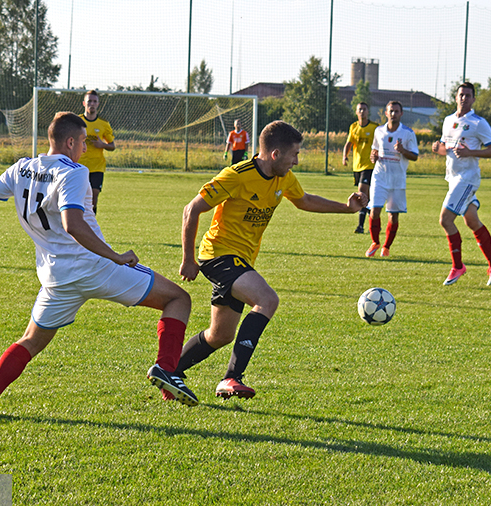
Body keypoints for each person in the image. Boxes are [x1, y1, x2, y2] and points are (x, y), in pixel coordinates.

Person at [0, 112, 198, 420]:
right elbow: (73, 224)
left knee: (31, 340)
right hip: (97, 268)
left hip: (56, 278)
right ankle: (167, 370)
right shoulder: (75, 172)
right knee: (178, 299)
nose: (85, 150)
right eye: (82, 142)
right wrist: (116, 256)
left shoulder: (21, 168)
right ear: (69, 141)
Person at [176, 121, 368, 400]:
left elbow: (304, 201)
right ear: (275, 154)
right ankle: (231, 378)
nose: (297, 161)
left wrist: (347, 209)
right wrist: (188, 259)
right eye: (294, 155)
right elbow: (191, 209)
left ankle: (169, 368)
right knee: (267, 299)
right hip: (218, 254)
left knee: (220, 334)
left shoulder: (283, 178)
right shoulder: (237, 175)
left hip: (241, 260)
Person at [431, 82, 491, 286]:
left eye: (468, 95)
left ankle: (457, 267)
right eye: (461, 94)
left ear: (473, 99)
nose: (464, 98)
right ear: (455, 97)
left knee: (445, 219)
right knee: (471, 220)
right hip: (453, 178)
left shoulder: (479, 123)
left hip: (467, 179)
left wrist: (470, 152)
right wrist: (439, 149)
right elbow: (447, 148)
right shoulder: (447, 121)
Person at [365, 101, 419, 258]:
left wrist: (403, 151)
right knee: (374, 211)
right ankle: (375, 242)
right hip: (379, 176)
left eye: (396, 111)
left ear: (401, 114)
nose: (394, 114)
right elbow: (374, 150)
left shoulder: (408, 133)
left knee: (393, 215)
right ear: (386, 113)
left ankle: (386, 246)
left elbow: (414, 156)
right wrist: (373, 156)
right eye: (391, 111)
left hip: (397, 179)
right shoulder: (379, 131)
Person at [342, 102, 379, 234]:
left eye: (364, 109)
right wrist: (344, 156)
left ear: (368, 112)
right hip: (357, 166)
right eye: (360, 110)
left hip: (370, 166)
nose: (362, 112)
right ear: (356, 112)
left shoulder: (375, 127)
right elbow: (349, 143)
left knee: (362, 194)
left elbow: (382, 142)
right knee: (366, 198)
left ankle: (360, 226)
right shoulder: (354, 126)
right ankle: (373, 217)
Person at [78, 89, 116, 214]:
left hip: (97, 167)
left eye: (95, 101)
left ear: (98, 104)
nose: (92, 104)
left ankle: (91, 222)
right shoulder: (76, 121)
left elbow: (112, 146)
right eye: (89, 101)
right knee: (78, 197)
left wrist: (102, 145)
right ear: (84, 103)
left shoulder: (103, 124)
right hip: (79, 165)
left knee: (94, 197)